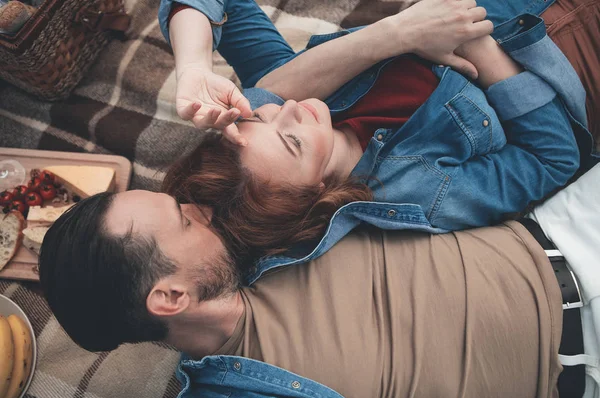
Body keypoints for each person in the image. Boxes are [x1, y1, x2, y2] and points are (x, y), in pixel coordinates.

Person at [39, 163, 600, 398]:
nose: (202, 211)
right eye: (184, 221)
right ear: (169, 296)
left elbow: (265, 90)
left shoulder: (260, 229)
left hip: (560, 230)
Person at [159, 0, 598, 269]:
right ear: (317, 190)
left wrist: (194, 67)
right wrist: (476, 45)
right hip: (567, 52)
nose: (288, 108)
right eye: (291, 141)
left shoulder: (297, 98)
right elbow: (554, 160)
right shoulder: (421, 191)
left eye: (260, 118)